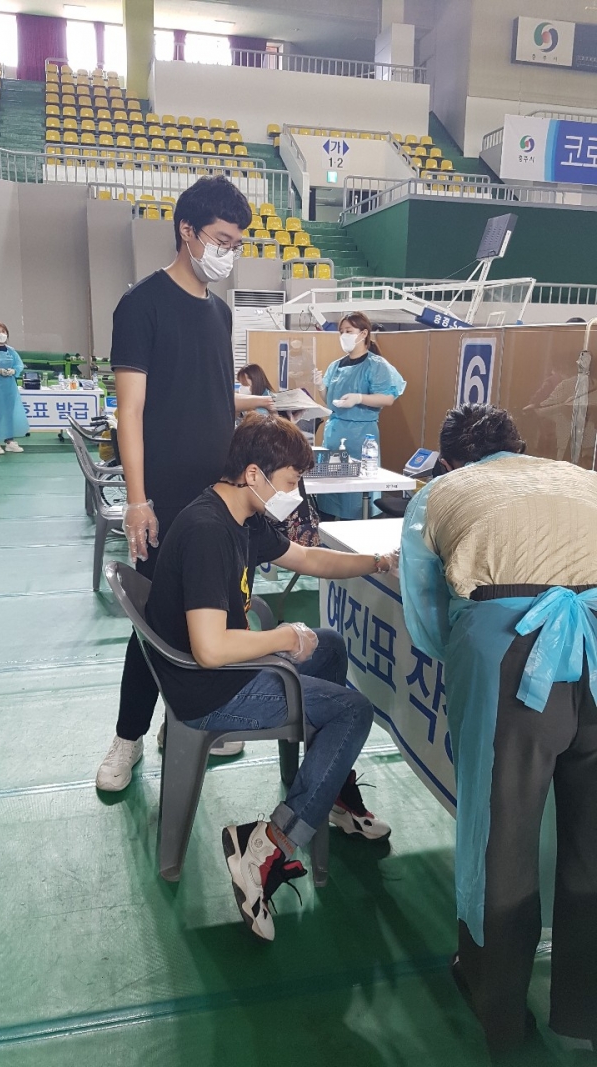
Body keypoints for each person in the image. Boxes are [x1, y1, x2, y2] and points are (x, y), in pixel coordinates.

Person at [146, 413, 398, 941]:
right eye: (289, 482)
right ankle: (268, 845)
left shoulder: (241, 512)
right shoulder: (209, 532)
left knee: (329, 646)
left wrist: (377, 562)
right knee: (354, 711)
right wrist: (281, 637)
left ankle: (330, 793)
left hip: (222, 671)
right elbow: (211, 649)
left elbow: (307, 558)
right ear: (254, 474)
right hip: (210, 690)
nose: (293, 495)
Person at [399, 403, 597, 1054]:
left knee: (500, 840)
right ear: (522, 447)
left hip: (511, 655)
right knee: (593, 841)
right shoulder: (582, 477)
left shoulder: (438, 494)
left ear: (449, 459)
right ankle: (586, 1011)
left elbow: (426, 617)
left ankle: (503, 1015)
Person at [96, 176, 276, 791]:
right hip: (167, 497)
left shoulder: (219, 312)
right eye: (222, 240)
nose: (229, 253)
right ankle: (127, 738)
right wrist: (138, 500)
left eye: (236, 244)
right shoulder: (141, 304)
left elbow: (213, 394)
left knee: (221, 613)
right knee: (157, 621)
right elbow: (131, 410)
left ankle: (189, 722)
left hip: (220, 498)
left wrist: (265, 407)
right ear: (187, 231)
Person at [314, 312, 406, 519]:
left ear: (363, 333)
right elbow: (330, 401)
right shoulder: (336, 366)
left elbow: (387, 398)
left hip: (361, 437)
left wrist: (359, 398)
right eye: (341, 332)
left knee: (355, 497)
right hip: (334, 434)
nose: (343, 335)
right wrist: (320, 387)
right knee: (329, 495)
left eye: (349, 331)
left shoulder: (376, 365)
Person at [0, 322, 28, 454]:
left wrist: (13, 371)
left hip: (9, 387)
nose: (1, 334)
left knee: (9, 414)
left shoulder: (11, 351)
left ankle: (9, 441)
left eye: (3, 331)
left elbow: (19, 365)